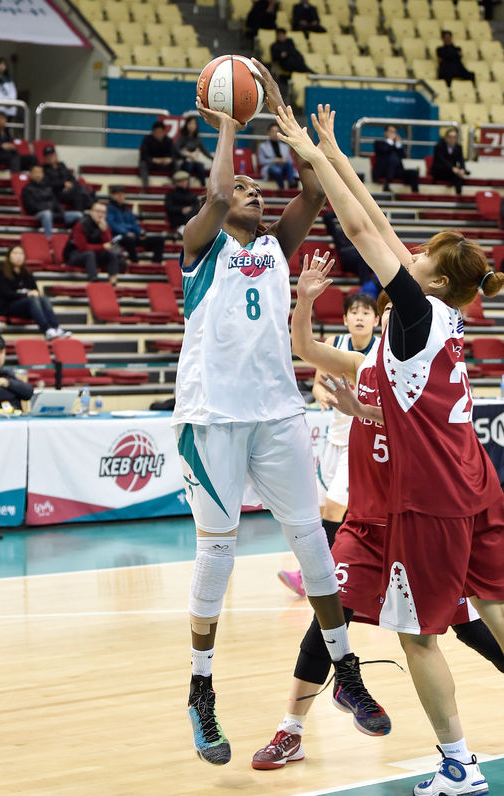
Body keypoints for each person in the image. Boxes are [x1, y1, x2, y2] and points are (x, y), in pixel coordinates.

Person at [275, 101, 504, 796]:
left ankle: (458, 766)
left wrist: (312, 158)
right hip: (479, 482)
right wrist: (332, 152)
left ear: (432, 280)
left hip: (432, 498)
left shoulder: (415, 315)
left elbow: (359, 227)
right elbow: (376, 221)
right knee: (497, 609)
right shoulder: (443, 315)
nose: (409, 254)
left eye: (420, 256)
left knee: (419, 637)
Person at [171, 60, 384, 768]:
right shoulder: (199, 248)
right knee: (218, 552)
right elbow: (217, 191)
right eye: (246, 189)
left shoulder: (273, 246)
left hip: (276, 412)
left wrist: (281, 110)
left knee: (312, 541)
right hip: (212, 419)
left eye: (259, 188)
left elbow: (315, 189)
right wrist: (232, 121)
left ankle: (346, 670)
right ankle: (201, 691)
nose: (254, 193)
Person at [254, 290, 504, 769]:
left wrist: (361, 411)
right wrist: (304, 300)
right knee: (328, 620)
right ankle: (291, 730)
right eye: (383, 309)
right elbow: (303, 346)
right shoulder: (363, 363)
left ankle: (453, 754)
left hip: (419, 527)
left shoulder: (426, 374)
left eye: (394, 310)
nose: (389, 316)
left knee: (474, 630)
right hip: (366, 524)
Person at [278, 292, 379, 597]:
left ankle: (315, 578)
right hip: (333, 439)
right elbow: (319, 384)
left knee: (335, 509)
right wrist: (323, 396)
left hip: (359, 443)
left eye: (366, 313)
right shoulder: (335, 343)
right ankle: (330, 573)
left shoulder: (380, 352)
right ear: (345, 319)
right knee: (320, 511)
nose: (360, 317)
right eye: (354, 312)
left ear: (376, 320)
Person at [0, 245, 70, 341]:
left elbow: (35, 290)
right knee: (32, 300)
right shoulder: (2, 273)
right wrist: (25, 294)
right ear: (9, 256)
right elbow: (5, 293)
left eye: (21, 253)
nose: (18, 256)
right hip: (9, 306)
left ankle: (56, 328)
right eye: (15, 253)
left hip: (27, 306)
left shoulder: (27, 273)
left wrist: (32, 293)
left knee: (43, 298)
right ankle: (47, 330)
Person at [63, 202, 122, 284]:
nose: (100, 215)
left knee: (111, 255)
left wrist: (104, 231)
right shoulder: (80, 225)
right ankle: (94, 281)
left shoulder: (104, 225)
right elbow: (82, 248)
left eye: (103, 212)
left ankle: (113, 282)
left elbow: (108, 245)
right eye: (98, 211)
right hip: (74, 255)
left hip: (94, 256)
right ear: (91, 212)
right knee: (89, 254)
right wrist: (102, 247)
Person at [21, 164, 83, 239]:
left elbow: (55, 202)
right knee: (47, 214)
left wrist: (61, 213)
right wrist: (47, 208)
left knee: (78, 215)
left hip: (53, 214)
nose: (38, 175)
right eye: (35, 172)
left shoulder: (47, 187)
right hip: (38, 214)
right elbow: (30, 207)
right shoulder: (27, 189)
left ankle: (74, 239)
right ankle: (49, 239)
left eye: (40, 172)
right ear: (30, 174)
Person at [107, 185, 164, 264]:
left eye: (122, 194)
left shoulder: (127, 209)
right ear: (112, 196)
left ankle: (156, 264)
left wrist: (141, 232)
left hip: (132, 235)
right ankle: (135, 262)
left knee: (159, 239)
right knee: (129, 239)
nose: (121, 196)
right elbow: (111, 224)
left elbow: (134, 223)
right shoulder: (109, 209)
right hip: (119, 237)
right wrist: (125, 232)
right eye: (118, 194)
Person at [323, 209, 371, 285]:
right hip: (347, 260)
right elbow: (327, 216)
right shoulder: (337, 232)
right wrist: (345, 213)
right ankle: (366, 286)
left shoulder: (358, 231)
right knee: (363, 259)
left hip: (361, 258)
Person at [42, 146, 94, 212]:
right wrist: (63, 185)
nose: (50, 157)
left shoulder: (62, 165)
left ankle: (80, 215)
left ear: (56, 155)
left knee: (79, 194)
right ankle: (91, 202)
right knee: (80, 191)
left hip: (71, 190)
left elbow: (71, 177)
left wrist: (70, 185)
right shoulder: (43, 169)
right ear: (44, 158)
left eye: (51, 155)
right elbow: (48, 183)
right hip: (57, 193)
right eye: (47, 156)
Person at [372, 124, 419, 193]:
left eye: (394, 132)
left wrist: (398, 145)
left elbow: (403, 156)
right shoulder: (379, 143)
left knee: (413, 173)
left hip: (396, 171)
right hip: (384, 171)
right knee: (392, 160)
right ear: (385, 133)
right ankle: (386, 185)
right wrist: (390, 141)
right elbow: (385, 150)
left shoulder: (396, 145)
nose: (393, 134)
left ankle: (415, 194)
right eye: (391, 132)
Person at [257, 121, 298, 189]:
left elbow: (290, 160)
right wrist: (274, 160)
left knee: (289, 164)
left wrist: (284, 160)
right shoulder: (262, 146)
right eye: (273, 131)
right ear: (268, 133)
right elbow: (261, 161)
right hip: (271, 166)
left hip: (284, 166)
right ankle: (282, 188)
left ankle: (291, 183)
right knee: (277, 170)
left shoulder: (285, 146)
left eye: (277, 131)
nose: (275, 134)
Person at [176, 116, 213, 187]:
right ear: (186, 125)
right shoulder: (182, 137)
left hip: (195, 161)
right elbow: (176, 150)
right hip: (185, 161)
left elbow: (205, 151)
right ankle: (187, 187)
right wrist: (187, 156)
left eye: (194, 124)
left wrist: (213, 159)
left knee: (200, 166)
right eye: (190, 123)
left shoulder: (197, 139)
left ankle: (203, 187)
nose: (192, 126)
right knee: (189, 165)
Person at [431, 128, 470, 196]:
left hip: (452, 172)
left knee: (459, 176)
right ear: (446, 138)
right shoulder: (439, 146)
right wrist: (452, 168)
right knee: (456, 174)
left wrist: (462, 169)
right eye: (450, 137)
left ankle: (458, 196)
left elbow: (461, 159)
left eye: (454, 137)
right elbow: (442, 160)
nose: (452, 139)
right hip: (440, 171)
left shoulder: (458, 147)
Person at [139, 121, 178, 187]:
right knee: (143, 164)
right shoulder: (147, 139)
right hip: (152, 164)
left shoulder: (168, 140)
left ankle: (175, 185)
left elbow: (174, 154)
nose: (158, 134)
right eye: (156, 132)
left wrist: (170, 159)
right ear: (153, 132)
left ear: (164, 132)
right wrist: (153, 160)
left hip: (165, 164)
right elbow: (143, 155)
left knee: (176, 164)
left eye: (160, 132)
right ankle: (146, 185)